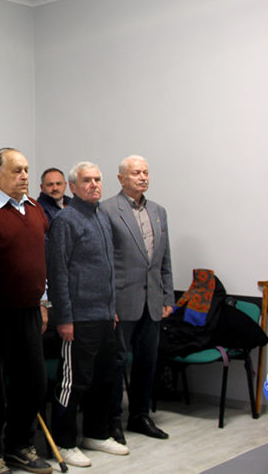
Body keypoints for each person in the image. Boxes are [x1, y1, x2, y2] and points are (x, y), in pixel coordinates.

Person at [0, 148, 52, 474]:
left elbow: (38, 260)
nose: (24, 176)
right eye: (17, 170)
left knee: (33, 383)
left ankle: (20, 445)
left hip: (29, 311)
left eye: (26, 170)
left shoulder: (34, 208)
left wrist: (43, 302)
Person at [46, 161, 128, 467]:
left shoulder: (102, 217)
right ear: (73, 187)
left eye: (97, 179)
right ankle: (64, 442)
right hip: (78, 319)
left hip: (105, 316)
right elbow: (58, 273)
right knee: (74, 382)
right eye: (87, 180)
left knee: (104, 379)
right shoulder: (65, 221)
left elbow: (108, 269)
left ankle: (96, 433)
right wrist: (65, 318)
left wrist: (112, 308)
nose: (94, 185)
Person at [101, 155, 173, 443]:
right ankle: (112, 420)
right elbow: (104, 262)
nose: (143, 177)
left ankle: (140, 416)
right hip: (122, 301)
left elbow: (164, 259)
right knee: (116, 362)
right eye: (136, 173)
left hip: (153, 302)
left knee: (147, 360)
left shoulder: (158, 211)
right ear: (121, 178)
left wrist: (167, 296)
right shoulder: (107, 210)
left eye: (145, 172)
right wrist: (108, 304)